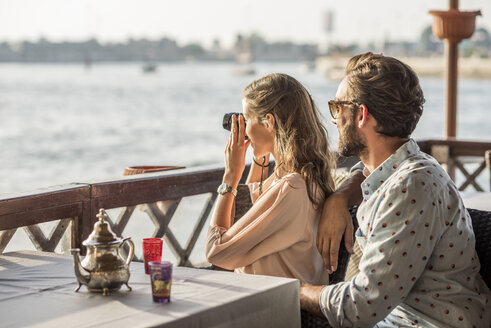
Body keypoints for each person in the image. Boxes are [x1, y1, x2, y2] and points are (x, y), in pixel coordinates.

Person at [301, 52, 491, 327]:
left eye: (336, 107)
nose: (334, 119)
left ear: (361, 115)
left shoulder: (412, 187)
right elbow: (368, 175)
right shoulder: (408, 170)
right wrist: (340, 197)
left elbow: (359, 307)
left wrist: (296, 291)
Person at [205, 73, 335, 284]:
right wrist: (262, 154)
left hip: (270, 305)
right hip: (268, 298)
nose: (244, 131)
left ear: (269, 123)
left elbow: (216, 252)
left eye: (246, 120)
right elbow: (248, 210)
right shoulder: (304, 178)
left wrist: (230, 177)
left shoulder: (291, 188)